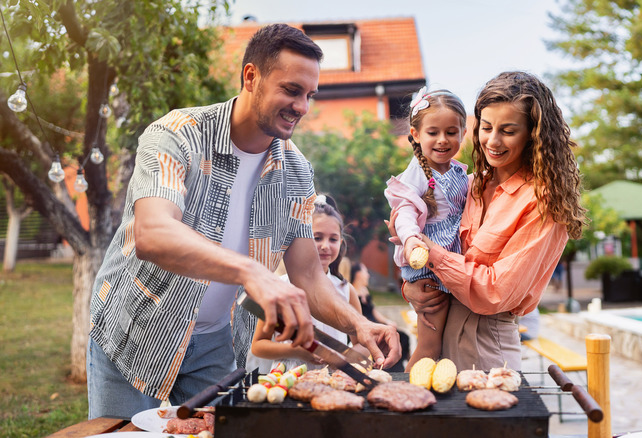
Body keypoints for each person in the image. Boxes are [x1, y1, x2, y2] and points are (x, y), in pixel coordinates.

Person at [86, 24, 400, 420]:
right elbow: (153, 233)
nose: (302, 107)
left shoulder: (298, 173)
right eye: (291, 90)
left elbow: (308, 275)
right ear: (251, 77)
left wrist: (358, 323)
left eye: (309, 95)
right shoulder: (177, 135)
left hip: (217, 342)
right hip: (135, 330)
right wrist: (253, 273)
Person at [393, 71, 587, 370]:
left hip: (487, 346)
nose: (492, 141)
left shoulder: (543, 203)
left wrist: (431, 255)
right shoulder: (470, 185)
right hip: (441, 331)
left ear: (533, 134)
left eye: (508, 131)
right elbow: (416, 233)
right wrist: (413, 289)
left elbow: (494, 293)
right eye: (486, 127)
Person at [384, 87, 468, 370]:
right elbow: (405, 213)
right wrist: (410, 241)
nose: (443, 140)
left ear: (463, 132)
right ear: (416, 134)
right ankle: (405, 390)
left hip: (449, 259)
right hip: (428, 268)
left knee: (445, 344)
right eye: (433, 132)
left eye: (451, 132)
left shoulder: (457, 170)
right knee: (430, 345)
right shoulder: (417, 174)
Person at [249, 196, 366, 372]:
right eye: (317, 238)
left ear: (341, 243)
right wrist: (296, 351)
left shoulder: (346, 290)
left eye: (333, 239)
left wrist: (343, 357)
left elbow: (363, 344)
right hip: (288, 382)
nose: (325, 246)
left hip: (334, 382)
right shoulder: (280, 289)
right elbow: (258, 345)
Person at [351, 261, 411, 372]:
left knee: (402, 336)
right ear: (358, 273)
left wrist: (388, 321)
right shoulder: (352, 292)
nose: (368, 275)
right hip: (364, 326)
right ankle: (390, 367)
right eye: (365, 271)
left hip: (373, 323)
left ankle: (401, 365)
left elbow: (373, 311)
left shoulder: (365, 290)